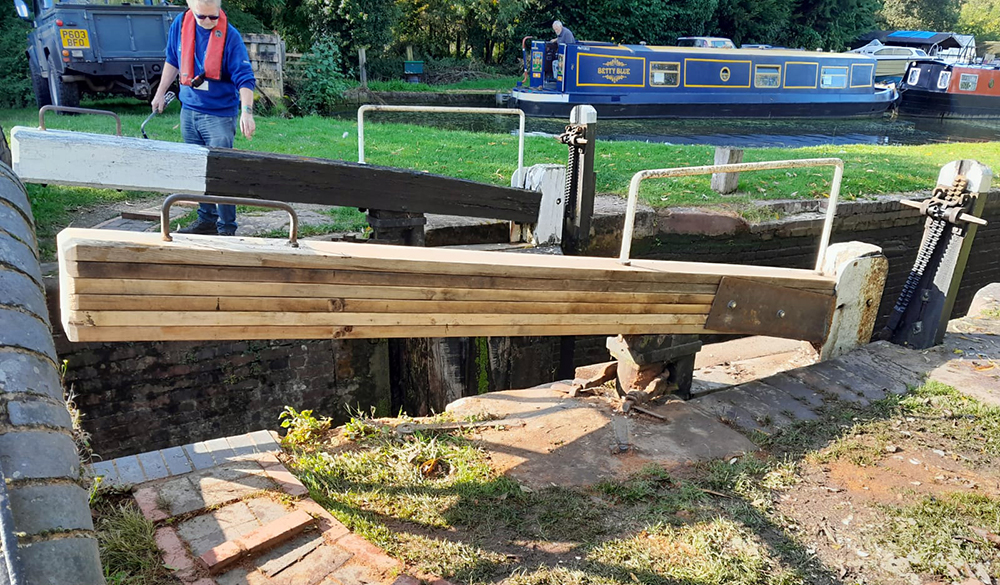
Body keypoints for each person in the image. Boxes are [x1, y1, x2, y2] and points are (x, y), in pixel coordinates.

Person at [151, 0, 256, 236]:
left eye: (214, 17)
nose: (208, 22)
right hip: (189, 110)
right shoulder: (180, 24)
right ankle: (207, 220)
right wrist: (159, 94)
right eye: (202, 17)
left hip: (219, 115)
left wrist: (247, 112)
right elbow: (172, 60)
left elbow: (245, 77)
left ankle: (227, 228)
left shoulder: (231, 36)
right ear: (191, 9)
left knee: (222, 172)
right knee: (197, 170)